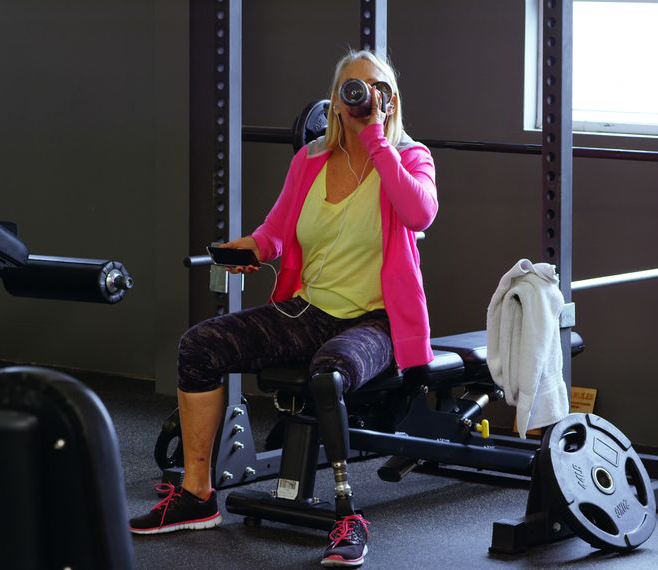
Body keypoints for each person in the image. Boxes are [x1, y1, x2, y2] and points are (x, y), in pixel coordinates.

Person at [128, 49, 437, 568]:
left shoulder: (410, 157)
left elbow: (419, 210)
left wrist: (377, 139)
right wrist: (247, 248)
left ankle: (347, 514)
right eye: (351, 88)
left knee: (328, 372)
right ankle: (197, 494)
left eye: (375, 87)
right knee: (199, 347)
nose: (362, 96)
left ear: (390, 99)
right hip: (309, 310)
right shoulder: (311, 160)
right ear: (336, 101)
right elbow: (276, 231)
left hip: (375, 321)